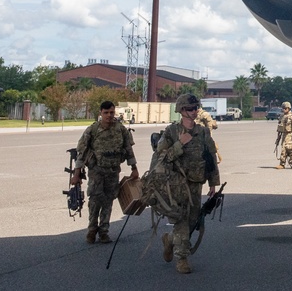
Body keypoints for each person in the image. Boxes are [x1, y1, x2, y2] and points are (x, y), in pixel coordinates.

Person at [155, 93, 219, 274]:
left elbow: (211, 158)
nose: (194, 111)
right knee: (181, 220)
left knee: (193, 221)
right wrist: (179, 145)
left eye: (196, 107)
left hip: (196, 183)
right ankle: (182, 258)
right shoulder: (171, 132)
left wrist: (213, 183)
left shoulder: (203, 132)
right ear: (182, 111)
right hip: (176, 184)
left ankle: (169, 239)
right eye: (190, 108)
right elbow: (162, 158)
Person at [70, 100, 139, 244]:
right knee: (95, 201)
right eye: (106, 113)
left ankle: (104, 231)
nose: (109, 115)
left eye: (111, 112)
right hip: (96, 171)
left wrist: (134, 168)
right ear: (100, 113)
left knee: (108, 201)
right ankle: (91, 230)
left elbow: (128, 150)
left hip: (113, 171)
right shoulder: (92, 130)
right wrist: (76, 174)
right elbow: (81, 153)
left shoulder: (121, 130)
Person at [275, 101, 292, 169]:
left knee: (288, 149)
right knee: (286, 149)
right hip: (284, 134)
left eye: (285, 108)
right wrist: (278, 137)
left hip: (290, 134)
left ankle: (289, 163)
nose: (284, 109)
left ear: (289, 108)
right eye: (283, 108)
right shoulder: (282, 116)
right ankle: (286, 163)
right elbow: (280, 126)